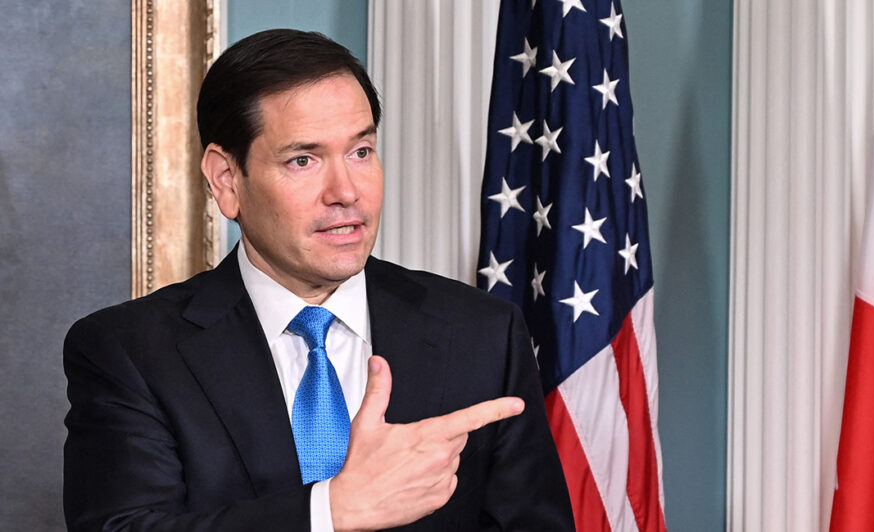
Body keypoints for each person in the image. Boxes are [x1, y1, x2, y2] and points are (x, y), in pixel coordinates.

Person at [63, 29, 574, 531]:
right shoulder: (130, 351)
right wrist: (331, 512)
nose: (346, 192)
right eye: (303, 160)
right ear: (226, 180)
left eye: (360, 152)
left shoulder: (483, 333)